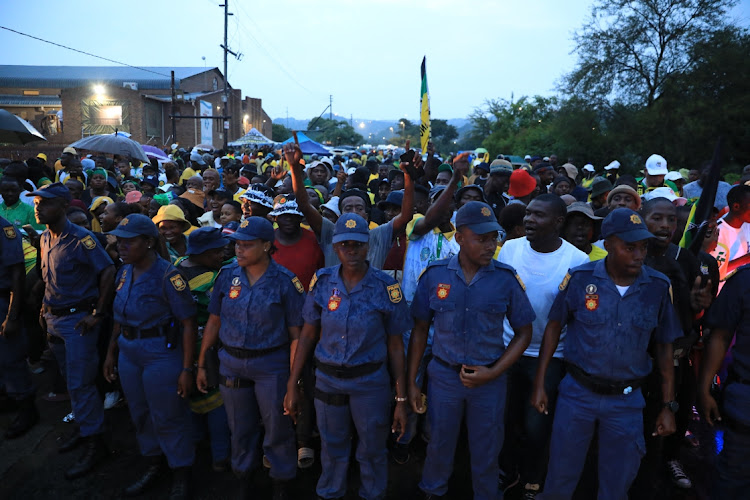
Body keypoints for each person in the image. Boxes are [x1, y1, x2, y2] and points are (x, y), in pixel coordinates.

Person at [532, 208, 681, 500]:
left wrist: (668, 405)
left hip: (626, 401)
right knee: (560, 475)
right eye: (630, 247)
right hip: (578, 393)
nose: (639, 255)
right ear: (609, 244)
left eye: (643, 247)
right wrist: (540, 383)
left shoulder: (657, 287)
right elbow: (553, 326)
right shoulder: (580, 279)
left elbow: (664, 349)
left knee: (618, 481)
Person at [408, 201, 535, 499]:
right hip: (443, 377)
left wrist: (494, 371)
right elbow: (420, 330)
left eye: (493, 238)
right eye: (481, 238)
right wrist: (413, 382)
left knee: (487, 449)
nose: (490, 245)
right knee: (438, 443)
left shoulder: (505, 279)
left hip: (489, 381)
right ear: (460, 238)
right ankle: (433, 492)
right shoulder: (435, 275)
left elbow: (524, 332)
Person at [284, 213, 411, 500]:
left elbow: (395, 345)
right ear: (335, 247)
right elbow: (307, 334)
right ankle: (331, 492)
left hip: (370, 383)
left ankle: (372, 494)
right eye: (344, 245)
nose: (351, 251)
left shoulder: (385, 288)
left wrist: (401, 398)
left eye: (358, 245)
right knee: (332, 445)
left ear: (368, 247)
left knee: (372, 448)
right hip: (328, 381)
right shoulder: (323, 281)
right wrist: (293, 383)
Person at [197, 217, 304, 499]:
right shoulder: (227, 275)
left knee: (277, 428)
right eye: (237, 245)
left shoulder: (285, 282)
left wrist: (293, 381)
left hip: (271, 365)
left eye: (247, 245)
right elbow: (214, 321)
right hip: (231, 362)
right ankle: (244, 476)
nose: (239, 250)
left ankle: (281, 480)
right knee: (239, 426)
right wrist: (200, 363)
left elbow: (297, 335)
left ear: (267, 246)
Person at [497, 194, 589, 498]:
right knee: (506, 419)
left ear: (558, 222)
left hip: (550, 356)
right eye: (528, 214)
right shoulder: (510, 249)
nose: (529, 220)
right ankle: (507, 472)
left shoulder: (577, 260)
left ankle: (534, 474)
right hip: (507, 349)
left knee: (537, 423)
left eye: (538, 216)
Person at [101, 214, 197, 498]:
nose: (122, 246)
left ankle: (181, 469)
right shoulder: (124, 271)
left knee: (168, 414)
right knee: (140, 412)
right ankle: (155, 462)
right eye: (120, 241)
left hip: (160, 352)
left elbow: (188, 323)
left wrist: (187, 369)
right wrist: (110, 354)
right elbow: (118, 318)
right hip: (129, 351)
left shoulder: (169, 276)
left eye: (129, 242)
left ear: (148, 243)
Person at [29, 182, 115, 479]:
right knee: (70, 381)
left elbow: (107, 271)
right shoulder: (44, 238)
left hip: (78, 320)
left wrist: (98, 313)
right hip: (54, 319)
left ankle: (97, 443)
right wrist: (43, 308)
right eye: (37, 202)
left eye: (45, 203)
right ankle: (86, 429)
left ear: (64, 206)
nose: (38, 207)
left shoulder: (82, 239)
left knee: (81, 383)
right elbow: (46, 278)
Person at [174, 227, 232, 474]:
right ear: (204, 253)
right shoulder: (210, 280)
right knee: (215, 402)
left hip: (178, 344)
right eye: (217, 251)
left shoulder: (177, 266)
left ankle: (197, 442)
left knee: (190, 397)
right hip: (204, 346)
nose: (222, 255)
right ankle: (221, 455)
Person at [698, 264, 750, 500]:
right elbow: (720, 335)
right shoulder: (744, 280)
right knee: (732, 481)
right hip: (745, 403)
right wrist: (705, 388)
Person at [0, 215, 38, 439]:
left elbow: (17, 272)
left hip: (3, 299)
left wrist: (12, 316)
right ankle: (8, 399)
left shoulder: (5, 228)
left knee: (10, 357)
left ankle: (27, 408)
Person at [709, 184, 750, 287]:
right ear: (736, 207)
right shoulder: (717, 232)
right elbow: (715, 272)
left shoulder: (746, 225)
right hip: (722, 293)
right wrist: (746, 259)